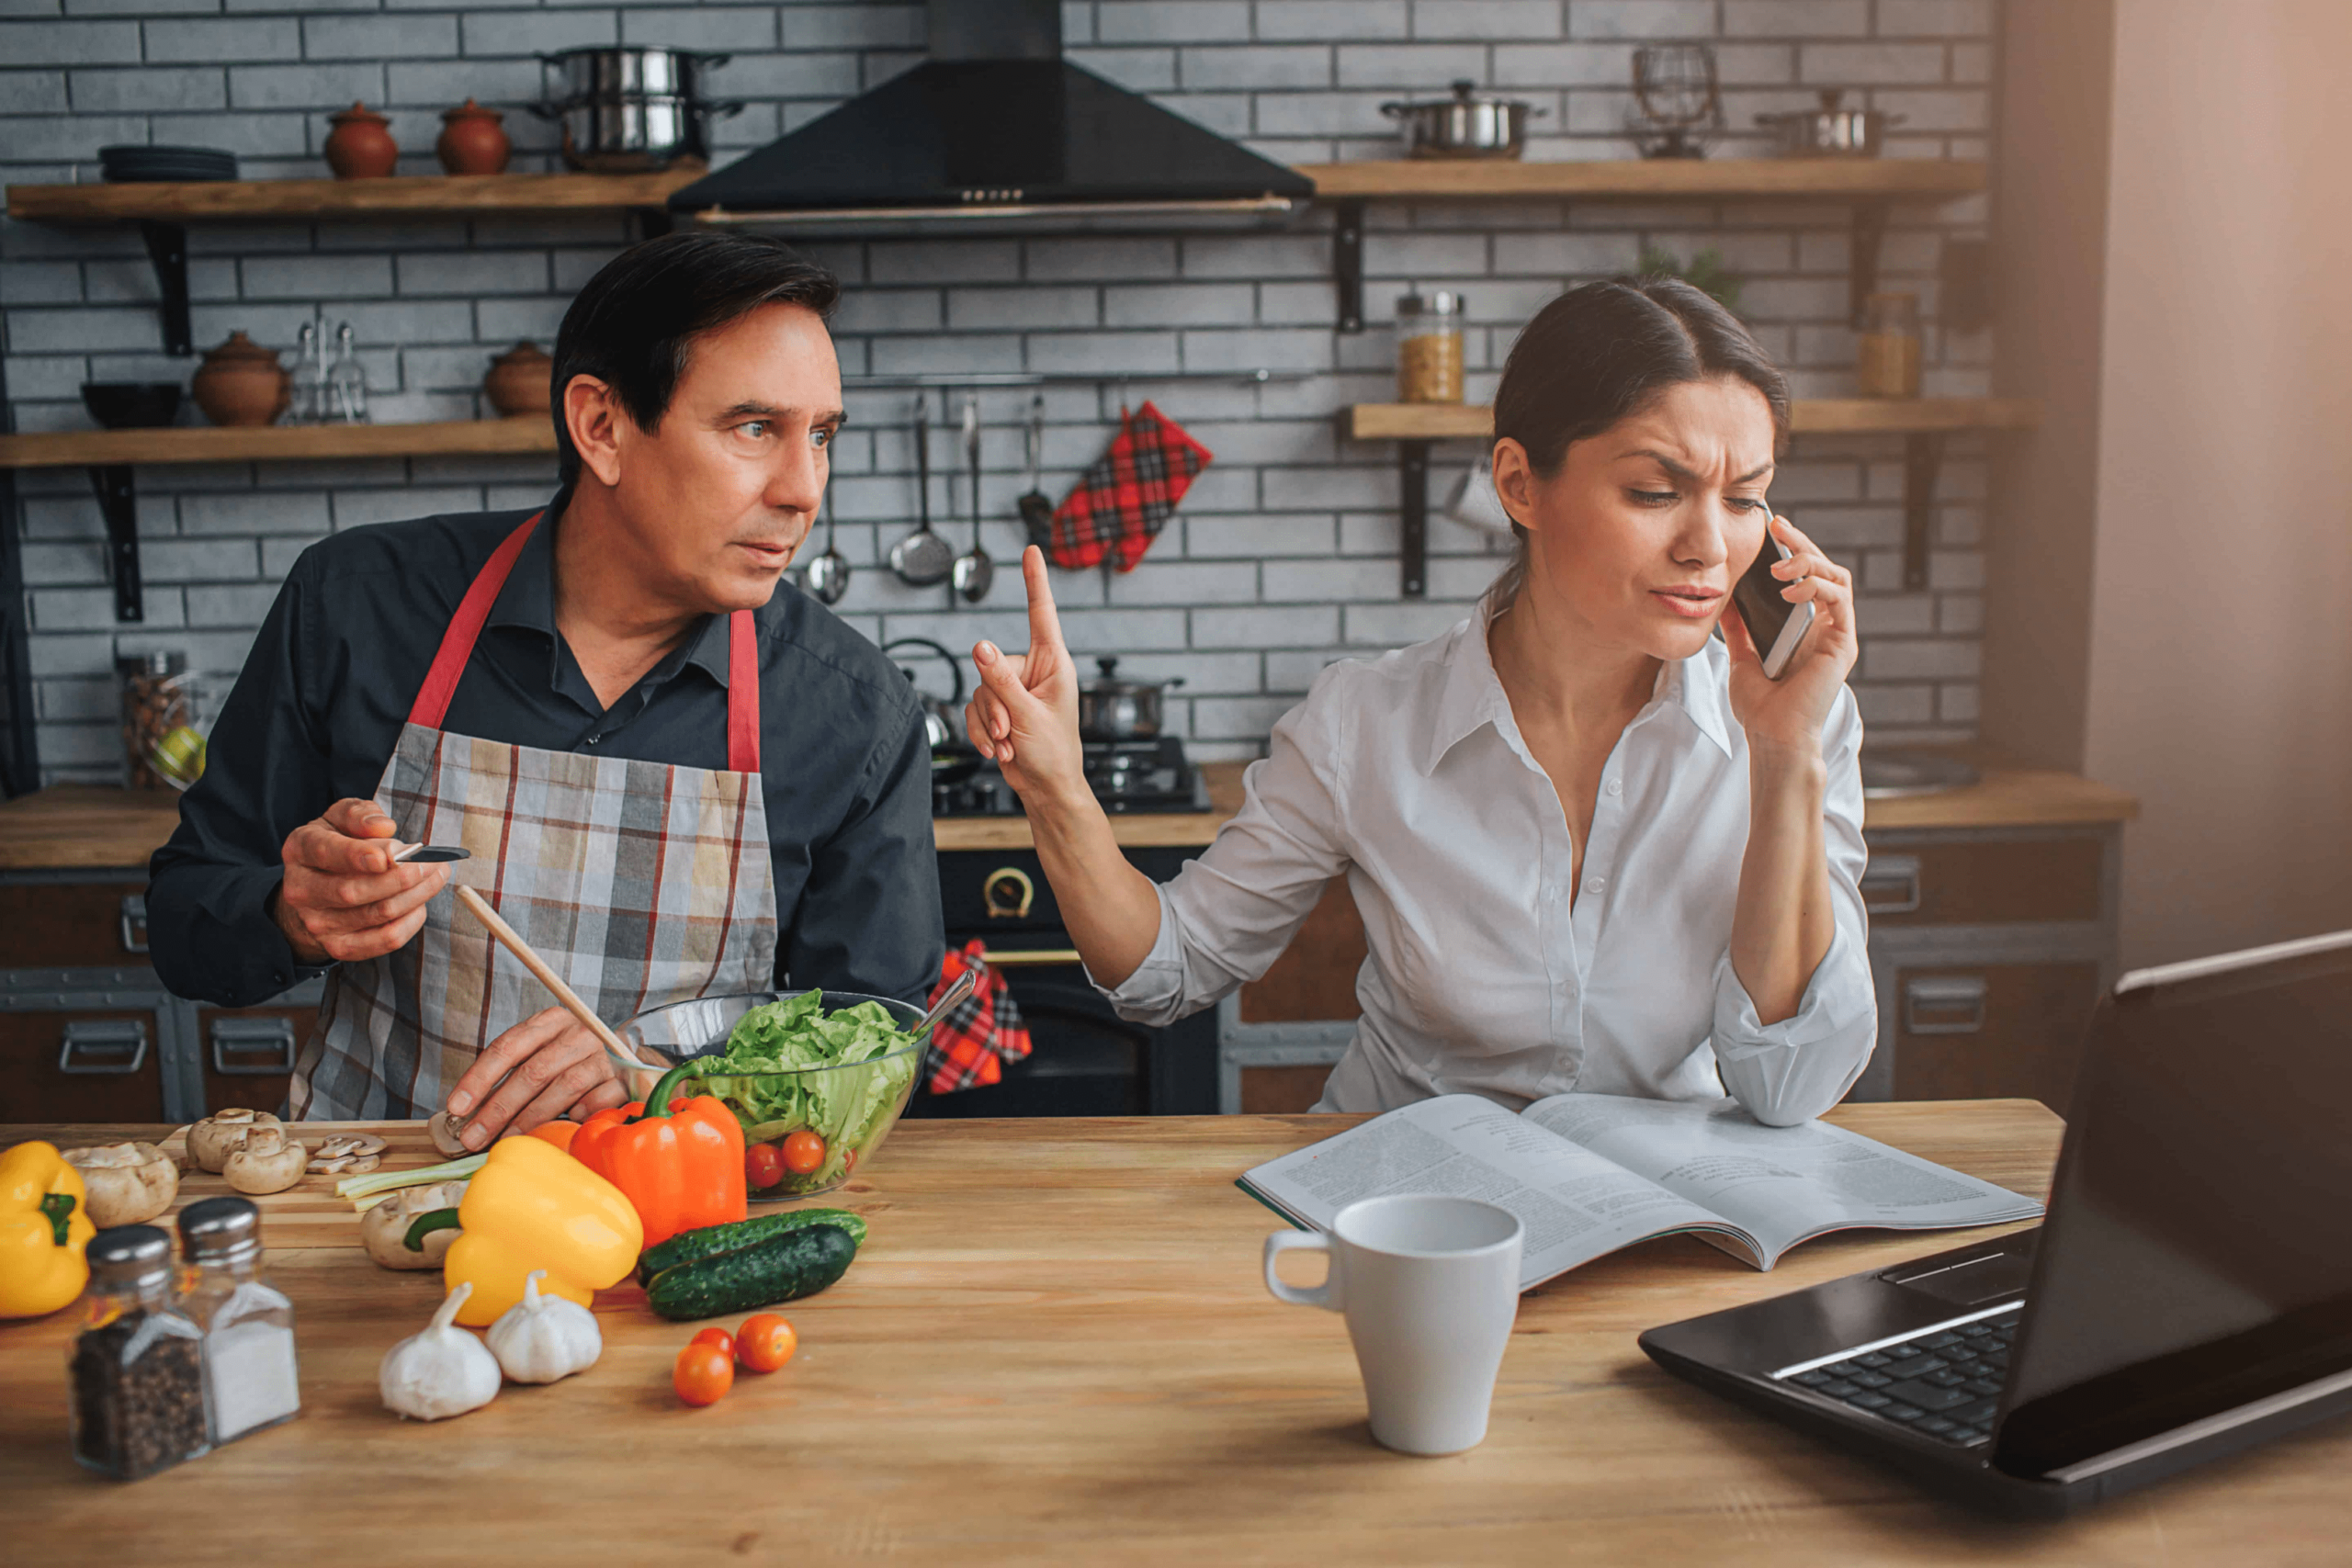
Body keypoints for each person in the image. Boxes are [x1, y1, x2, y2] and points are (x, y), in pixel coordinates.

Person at [964, 278, 1871, 1121]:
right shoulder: (1365, 723)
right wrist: (1057, 791)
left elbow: (1787, 1086)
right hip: (1410, 1225)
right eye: (1653, 491)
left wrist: (1787, 753)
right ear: (1519, 484)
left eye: (1746, 498)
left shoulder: (1793, 718)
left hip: (1659, 1237)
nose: (1709, 547)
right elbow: (1170, 969)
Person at [148, 232, 942, 1142]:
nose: (804, 489)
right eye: (753, 428)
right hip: (367, 1202)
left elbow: (868, 1050)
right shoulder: (359, 605)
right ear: (600, 426)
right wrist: (291, 915)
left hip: (678, 1225)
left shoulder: (852, 709)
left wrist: (671, 1077)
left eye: (822, 435)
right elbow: (182, 928)